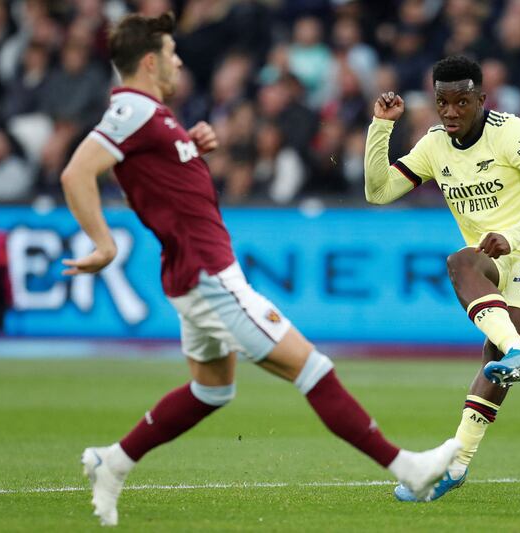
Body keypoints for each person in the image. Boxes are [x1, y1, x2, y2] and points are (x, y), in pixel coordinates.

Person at [60, 13, 459, 527]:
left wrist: (189, 149)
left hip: (192, 272)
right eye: (173, 51)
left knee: (211, 389)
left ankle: (112, 462)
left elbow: (151, 181)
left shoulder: (153, 115)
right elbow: (77, 172)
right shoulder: (131, 109)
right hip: (208, 274)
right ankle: (408, 467)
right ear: (150, 60)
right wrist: (104, 242)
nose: (180, 61)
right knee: (312, 367)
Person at [364, 55, 520, 502]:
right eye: (442, 102)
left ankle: (456, 462)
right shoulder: (433, 145)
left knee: (492, 350)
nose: (450, 112)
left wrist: (514, 233)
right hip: (492, 257)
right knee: (462, 262)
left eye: (461, 101)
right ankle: (519, 359)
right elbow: (378, 191)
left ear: (481, 100)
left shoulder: (511, 131)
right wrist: (381, 126)